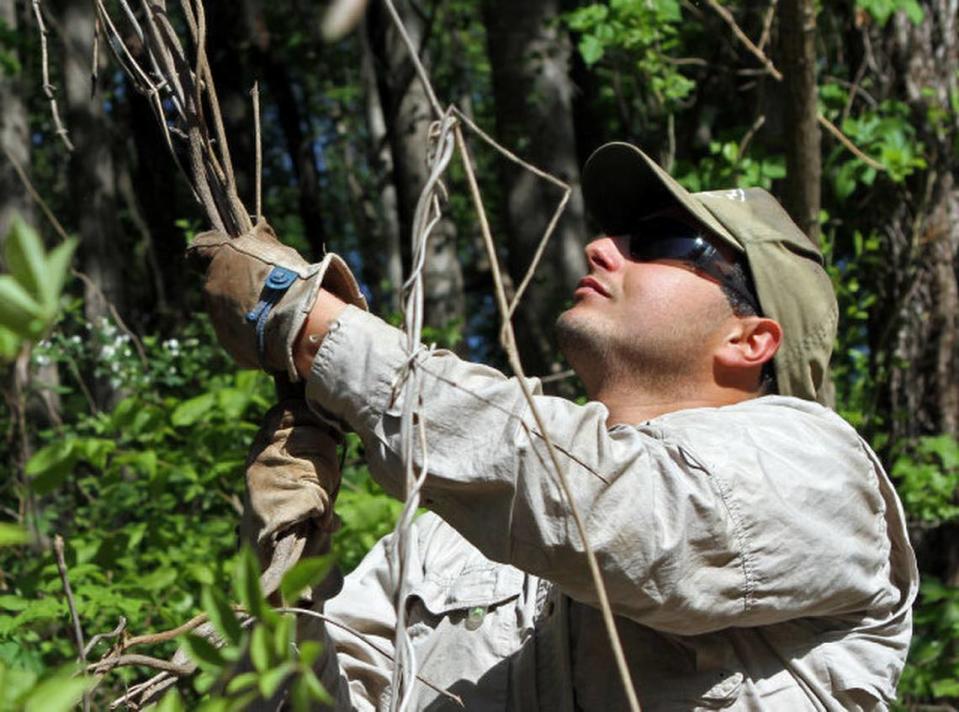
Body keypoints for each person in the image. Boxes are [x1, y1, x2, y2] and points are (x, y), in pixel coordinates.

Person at [190, 142, 919, 711]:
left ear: (749, 340)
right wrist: (283, 580)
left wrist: (322, 332)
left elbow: (619, 517)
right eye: (615, 234)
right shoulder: (442, 537)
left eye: (661, 242)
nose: (602, 248)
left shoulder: (816, 471)